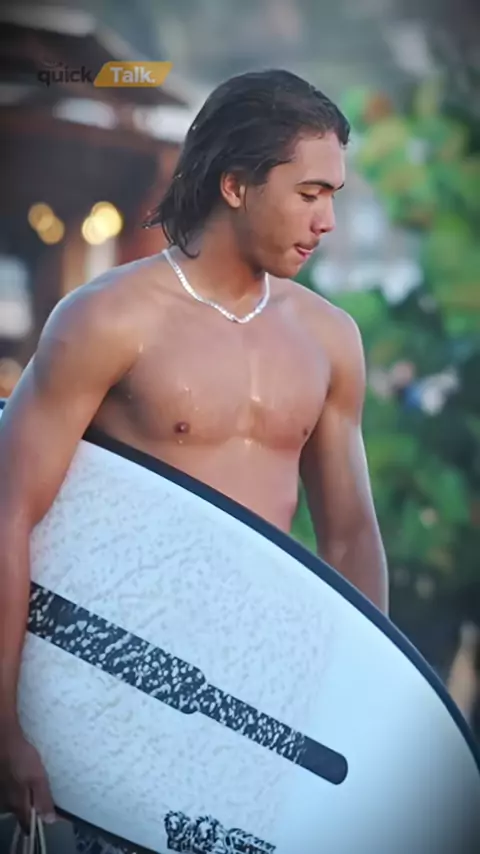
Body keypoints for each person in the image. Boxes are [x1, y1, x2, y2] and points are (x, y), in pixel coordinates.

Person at [0, 69, 388, 851]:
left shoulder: (329, 339)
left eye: (334, 195)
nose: (328, 220)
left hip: (253, 706)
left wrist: (360, 713)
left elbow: (349, 537)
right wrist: (4, 722)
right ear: (235, 185)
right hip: (108, 697)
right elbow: (9, 516)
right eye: (310, 193)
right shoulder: (108, 320)